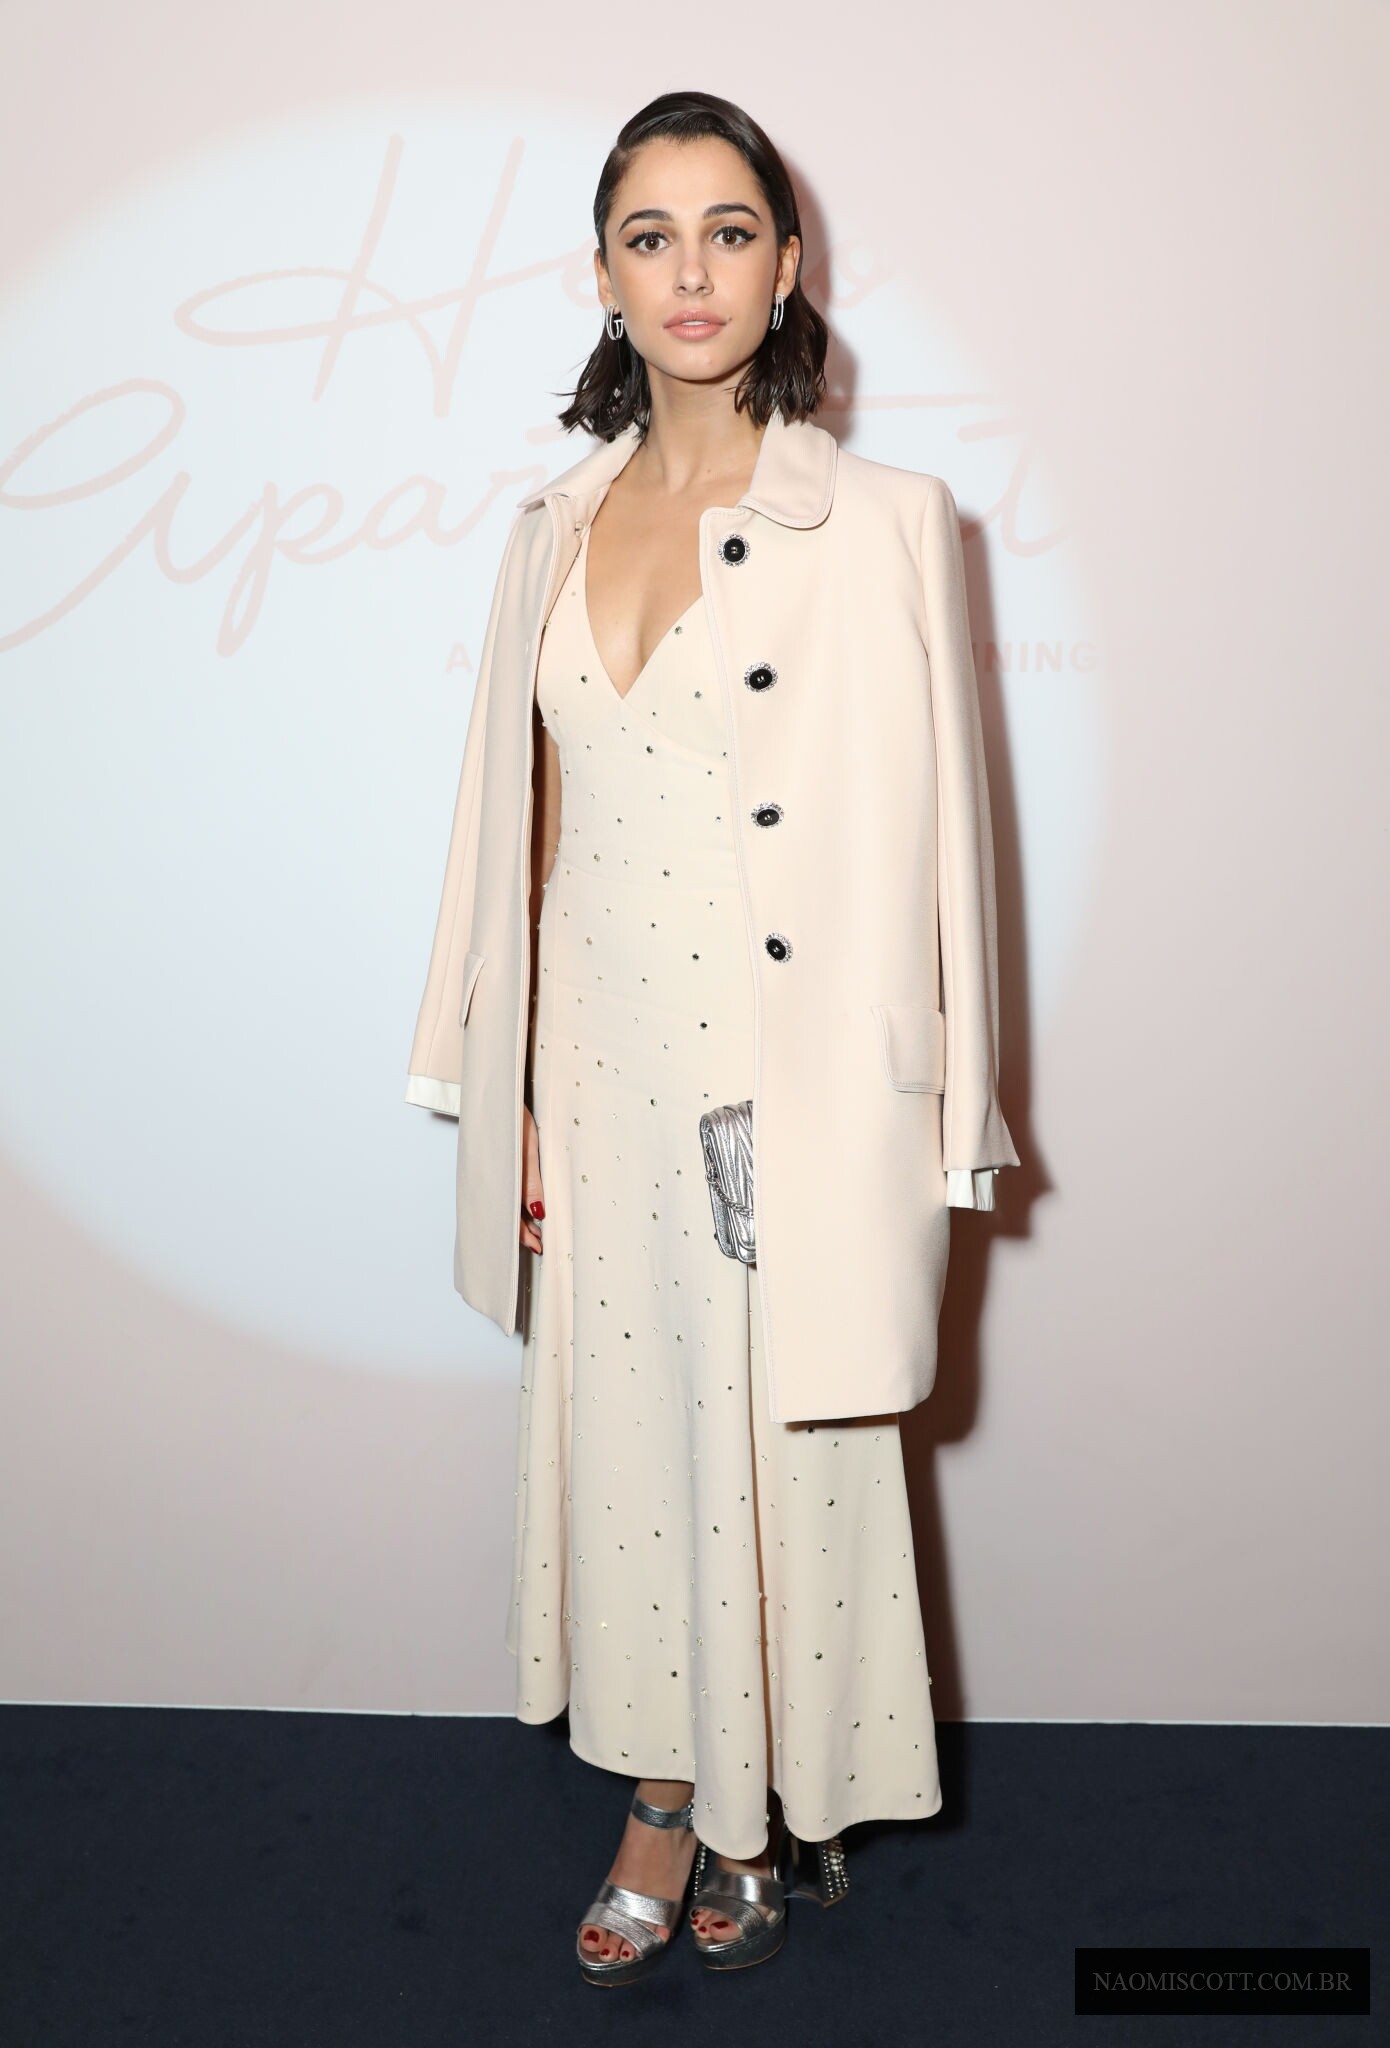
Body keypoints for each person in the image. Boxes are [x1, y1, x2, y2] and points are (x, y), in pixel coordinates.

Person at [406, 89, 1019, 1985]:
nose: (691, 271)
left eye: (729, 230)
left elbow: (948, 843)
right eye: (650, 235)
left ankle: (769, 1800)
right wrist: (502, 1084)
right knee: (632, 1447)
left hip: (784, 1077)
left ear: (786, 261)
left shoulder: (884, 521)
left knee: (786, 1444)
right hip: (597, 1069)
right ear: (601, 273)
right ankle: (665, 1796)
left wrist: (946, 1106)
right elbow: (510, 831)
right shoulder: (549, 525)